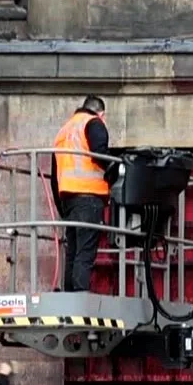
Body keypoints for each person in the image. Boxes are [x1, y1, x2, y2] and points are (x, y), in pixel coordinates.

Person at [51, 95, 111, 293]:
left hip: (68, 200)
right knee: (85, 253)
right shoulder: (93, 123)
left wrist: (62, 207)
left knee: (73, 252)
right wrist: (118, 169)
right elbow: (100, 153)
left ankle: (69, 294)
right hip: (89, 196)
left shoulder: (63, 131)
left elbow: (55, 177)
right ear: (101, 114)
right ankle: (79, 295)